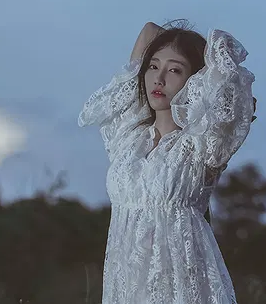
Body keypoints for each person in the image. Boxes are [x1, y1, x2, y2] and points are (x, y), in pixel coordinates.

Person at [78, 19, 256, 303]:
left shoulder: (201, 143)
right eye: (152, 66)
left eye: (174, 70)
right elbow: (149, 29)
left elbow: (224, 68)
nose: (158, 79)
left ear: (196, 80)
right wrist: (176, 43)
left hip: (182, 287)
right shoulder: (127, 136)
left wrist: (197, 55)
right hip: (127, 288)